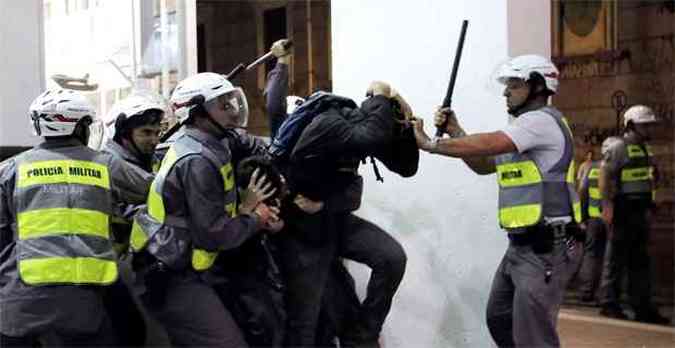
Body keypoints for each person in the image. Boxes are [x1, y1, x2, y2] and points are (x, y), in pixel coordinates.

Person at [412, 54, 583, 347]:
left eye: (514, 84)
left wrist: (433, 144)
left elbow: (490, 142)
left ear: (538, 86)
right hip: (520, 246)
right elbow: (484, 163)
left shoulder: (540, 122)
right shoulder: (522, 134)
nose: (506, 92)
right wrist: (455, 130)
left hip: (546, 248)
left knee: (534, 338)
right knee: (500, 317)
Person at [129, 72, 282, 347]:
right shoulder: (197, 159)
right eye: (222, 105)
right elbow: (213, 234)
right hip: (171, 273)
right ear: (197, 113)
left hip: (189, 263)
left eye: (230, 102)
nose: (232, 111)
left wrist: (251, 206)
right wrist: (254, 219)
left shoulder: (216, 142)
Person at [0, 88, 153, 346]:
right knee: (132, 331)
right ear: (79, 126)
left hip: (20, 303)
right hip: (86, 300)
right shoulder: (105, 164)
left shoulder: (10, 169)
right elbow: (158, 192)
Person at [278, 81, 416, 348]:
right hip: (300, 233)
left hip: (330, 221)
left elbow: (405, 166)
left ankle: (362, 337)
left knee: (391, 258)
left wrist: (405, 123)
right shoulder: (327, 125)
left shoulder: (354, 130)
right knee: (307, 319)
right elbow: (373, 137)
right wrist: (381, 95)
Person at [99, 93, 167, 346]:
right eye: (146, 133)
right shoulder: (112, 162)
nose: (154, 139)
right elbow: (159, 191)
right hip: (122, 259)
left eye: (157, 132)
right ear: (123, 134)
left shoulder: (145, 159)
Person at [597, 104, 669, 324]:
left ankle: (642, 307)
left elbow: (644, 178)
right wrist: (607, 207)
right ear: (630, 125)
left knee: (640, 261)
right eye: (644, 125)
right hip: (622, 209)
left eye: (650, 125)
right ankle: (609, 303)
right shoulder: (619, 148)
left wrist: (652, 200)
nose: (649, 129)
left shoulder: (645, 149)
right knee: (616, 259)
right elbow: (605, 177)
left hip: (639, 210)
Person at [574, 148, 607, 304]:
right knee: (608, 256)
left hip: (593, 218)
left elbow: (582, 192)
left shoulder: (591, 168)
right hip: (610, 218)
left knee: (590, 254)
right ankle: (604, 295)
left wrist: (581, 218)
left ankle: (586, 292)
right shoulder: (613, 167)